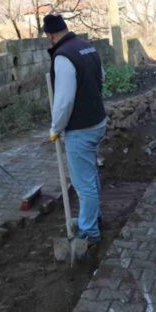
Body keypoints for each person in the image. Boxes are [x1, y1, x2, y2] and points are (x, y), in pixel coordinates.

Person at [44, 14, 107, 245]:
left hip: (80, 128)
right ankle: (95, 218)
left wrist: (55, 128)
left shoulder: (62, 57)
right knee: (90, 176)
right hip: (98, 120)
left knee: (83, 183)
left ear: (50, 35)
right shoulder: (86, 47)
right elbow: (102, 77)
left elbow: (64, 100)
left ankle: (89, 231)